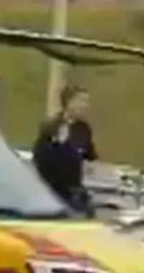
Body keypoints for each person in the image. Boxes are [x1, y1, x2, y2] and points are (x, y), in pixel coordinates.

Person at [32, 84, 97, 215]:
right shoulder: (51, 126)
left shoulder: (84, 129)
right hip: (52, 191)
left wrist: (89, 165)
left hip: (75, 190)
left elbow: (89, 156)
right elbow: (40, 158)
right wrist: (58, 143)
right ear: (69, 102)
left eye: (87, 101)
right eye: (81, 100)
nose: (85, 105)